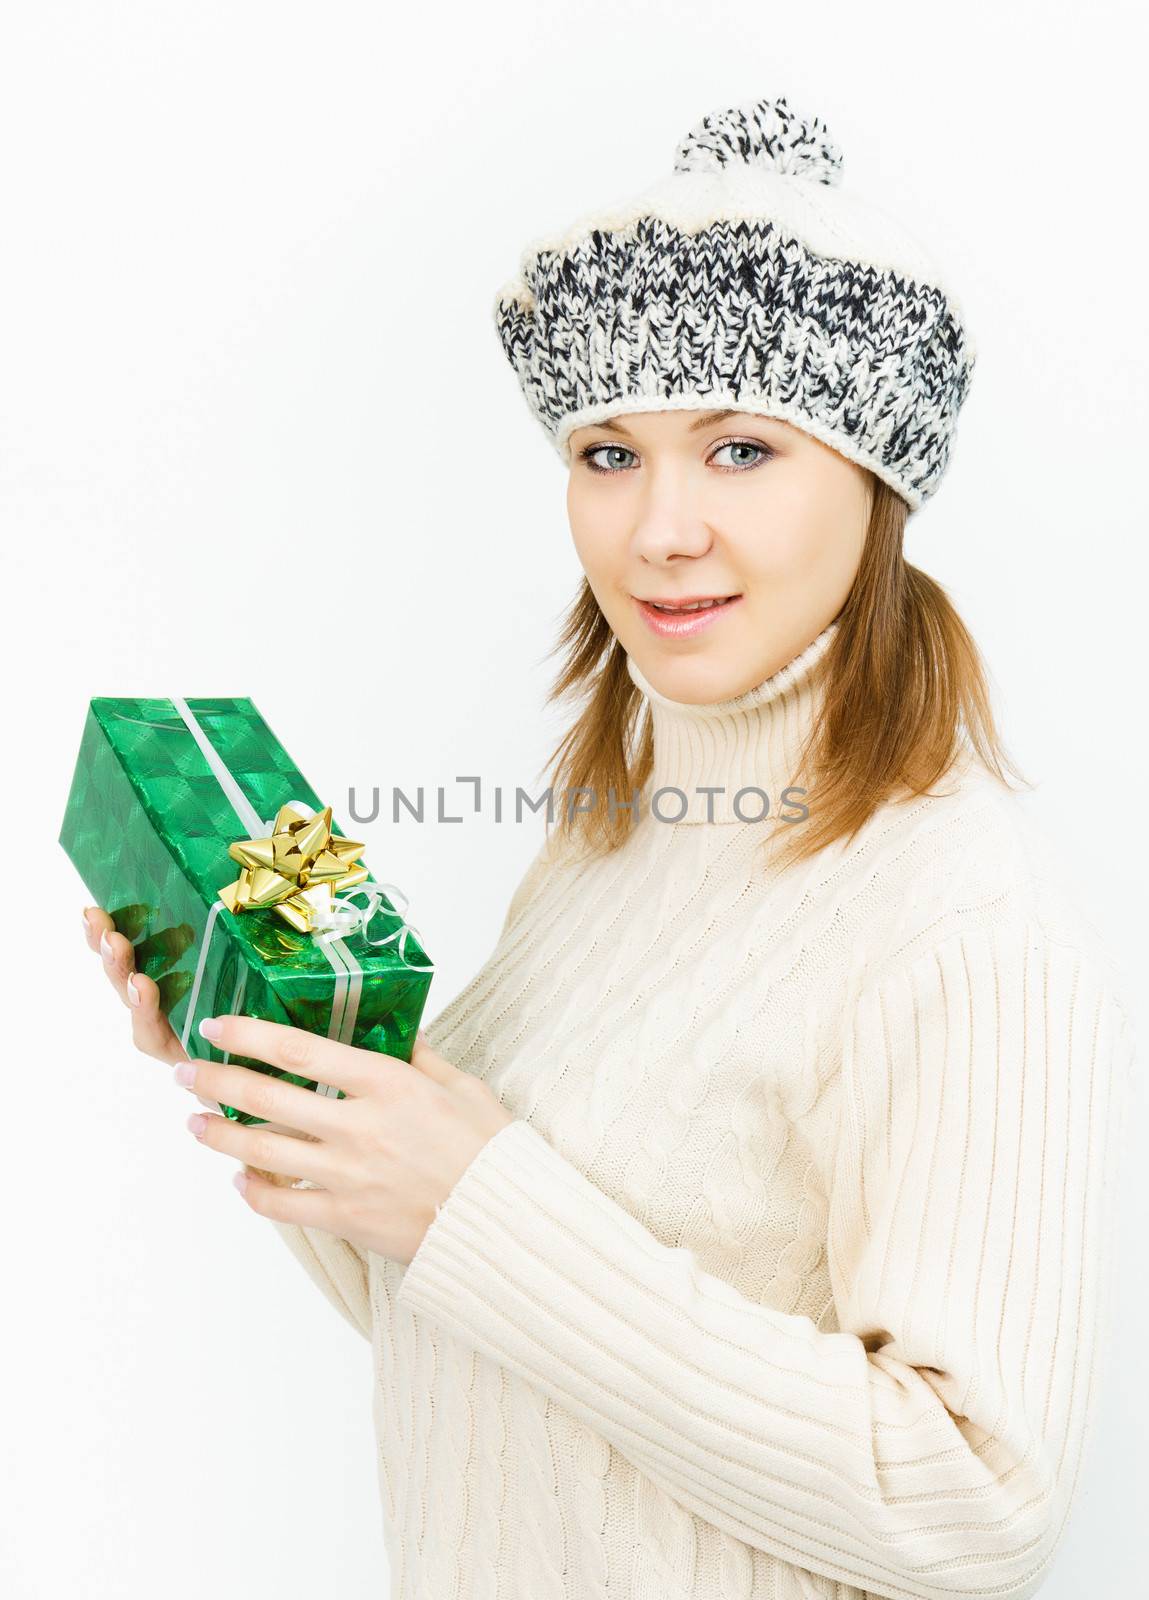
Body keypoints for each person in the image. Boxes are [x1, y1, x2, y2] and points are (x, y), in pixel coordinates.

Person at [79, 93, 1135, 1600]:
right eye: (606, 451)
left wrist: (473, 1195)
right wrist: (267, 1062)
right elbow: (495, 1340)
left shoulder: (954, 921)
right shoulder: (608, 851)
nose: (658, 529)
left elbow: (971, 1507)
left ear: (874, 482)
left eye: (741, 450)